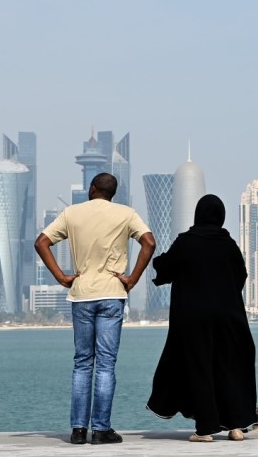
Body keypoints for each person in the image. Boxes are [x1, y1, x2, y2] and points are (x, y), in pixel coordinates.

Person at [35, 172, 155, 445]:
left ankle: (78, 430)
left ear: (92, 189)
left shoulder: (71, 213)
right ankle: (101, 430)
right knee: (106, 364)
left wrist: (61, 277)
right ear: (113, 193)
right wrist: (132, 279)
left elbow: (41, 242)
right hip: (113, 293)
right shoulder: (126, 214)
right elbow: (149, 242)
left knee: (82, 363)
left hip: (82, 294)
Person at [146, 194, 257, 442]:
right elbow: (241, 276)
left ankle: (205, 429)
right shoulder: (229, 244)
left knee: (200, 368)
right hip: (229, 316)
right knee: (229, 367)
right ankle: (236, 426)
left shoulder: (187, 242)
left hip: (193, 318)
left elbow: (165, 267)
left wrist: (157, 261)